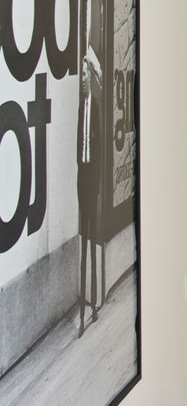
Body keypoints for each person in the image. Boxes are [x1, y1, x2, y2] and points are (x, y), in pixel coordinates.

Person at [77, 49, 102, 337]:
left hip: (91, 182)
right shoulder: (79, 108)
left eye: (85, 75)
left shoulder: (94, 107)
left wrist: (94, 185)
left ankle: (94, 304)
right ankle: (83, 312)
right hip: (81, 180)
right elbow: (78, 150)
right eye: (81, 75)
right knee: (83, 241)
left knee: (92, 241)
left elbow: (98, 152)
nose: (83, 79)